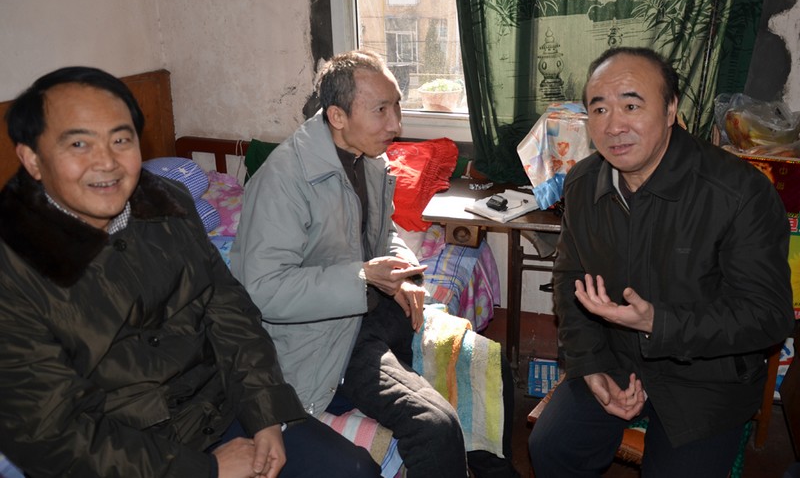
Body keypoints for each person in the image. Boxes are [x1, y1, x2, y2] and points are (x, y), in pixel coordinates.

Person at [0, 67, 381, 478]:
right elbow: (48, 433)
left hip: (220, 410)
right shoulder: (14, 269)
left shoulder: (167, 203)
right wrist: (205, 469)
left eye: (121, 139)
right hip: (123, 451)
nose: (107, 163)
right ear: (32, 158)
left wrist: (266, 412)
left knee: (353, 469)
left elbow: (229, 311)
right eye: (78, 143)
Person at [231, 49, 518, 478]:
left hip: (369, 312)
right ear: (337, 116)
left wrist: (402, 272)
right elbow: (262, 290)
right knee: (434, 427)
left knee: (490, 365)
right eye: (381, 110)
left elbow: (382, 234)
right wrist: (363, 276)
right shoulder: (284, 180)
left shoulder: (368, 160)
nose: (395, 124)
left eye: (397, 106)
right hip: (325, 338)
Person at [528, 47, 795, 477]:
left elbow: (768, 316)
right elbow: (569, 279)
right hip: (614, 357)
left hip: (707, 378)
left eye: (632, 106)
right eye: (599, 109)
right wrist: (589, 365)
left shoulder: (739, 192)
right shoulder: (583, 183)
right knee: (551, 448)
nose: (614, 125)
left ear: (671, 109)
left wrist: (658, 322)